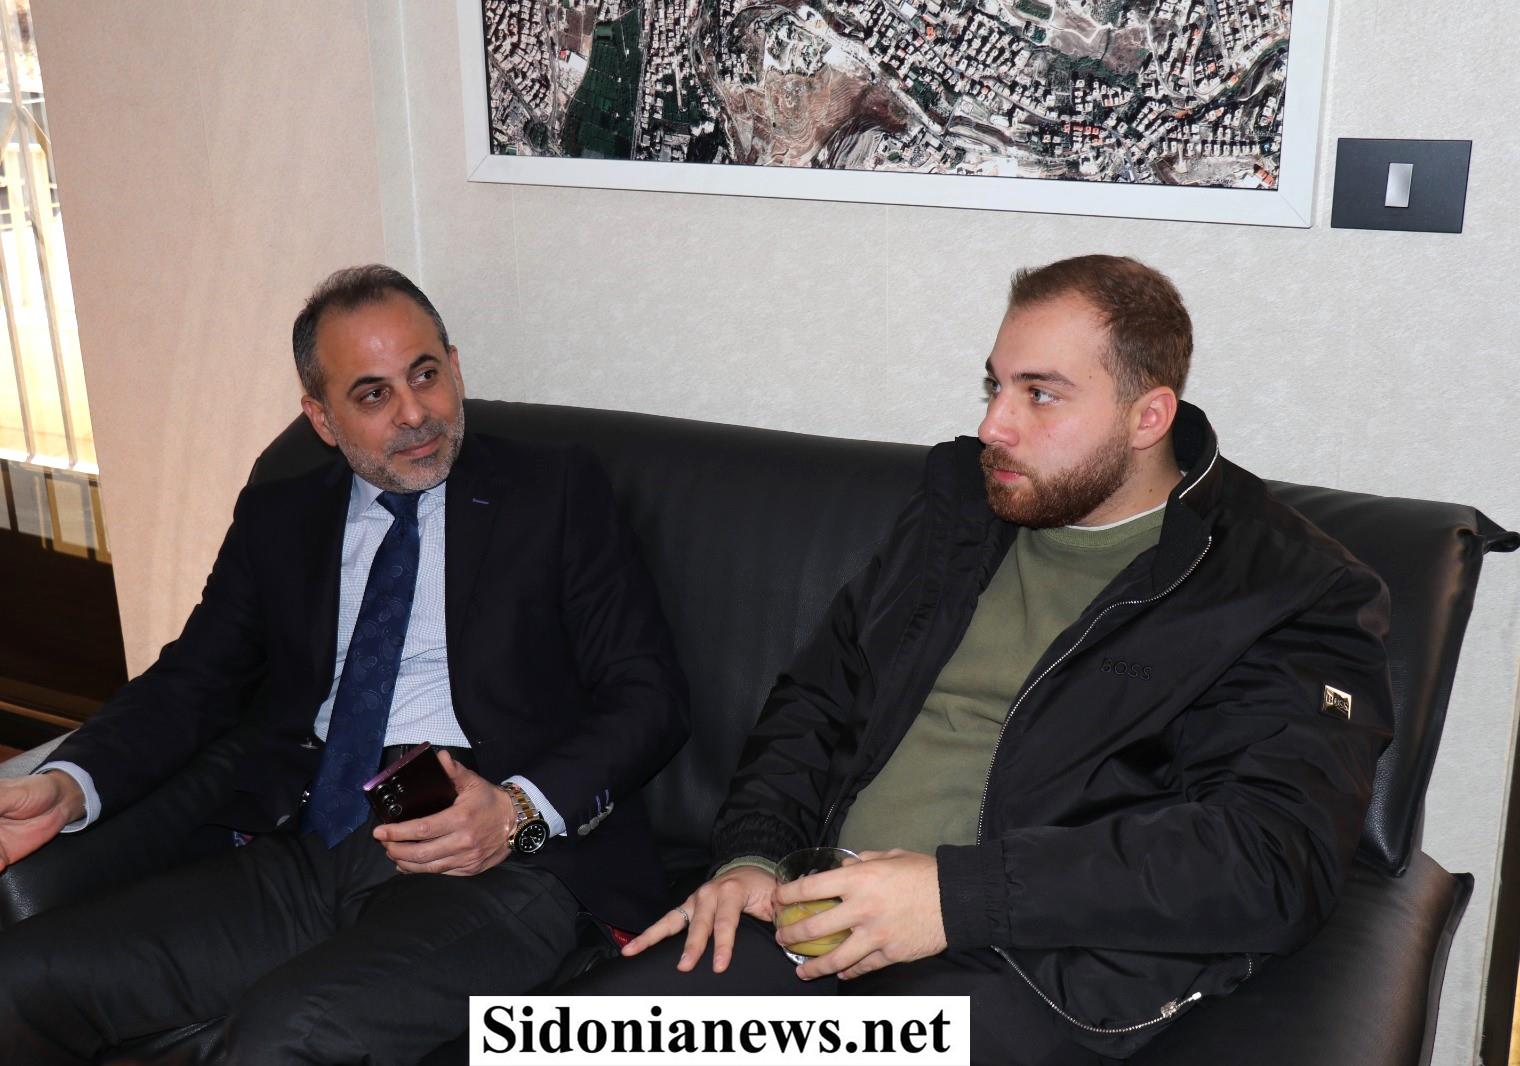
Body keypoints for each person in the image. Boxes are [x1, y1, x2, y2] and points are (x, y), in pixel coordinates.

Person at [568, 255, 1391, 1065]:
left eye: (1041, 394)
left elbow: (1270, 856)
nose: (996, 426)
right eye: (994, 386)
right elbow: (816, 701)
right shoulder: (961, 510)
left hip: (1021, 964)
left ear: (1148, 418)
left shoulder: (1282, 588)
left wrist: (955, 898)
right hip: (813, 915)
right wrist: (752, 855)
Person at [0, 265, 690, 1064]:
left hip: (499, 860)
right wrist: (65, 785)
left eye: (425, 375)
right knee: (20, 979)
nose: (415, 413)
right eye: (373, 395)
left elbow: (649, 696)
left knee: (286, 1037)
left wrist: (516, 811)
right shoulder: (281, 519)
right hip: (311, 845)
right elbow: (192, 681)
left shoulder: (553, 491)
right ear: (321, 417)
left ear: (456, 368)